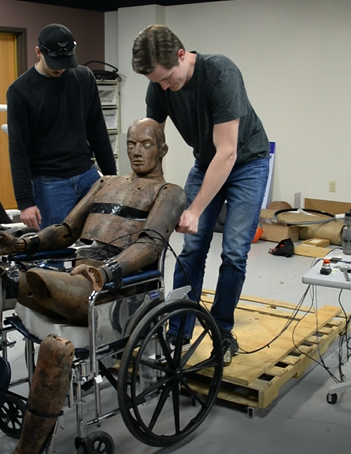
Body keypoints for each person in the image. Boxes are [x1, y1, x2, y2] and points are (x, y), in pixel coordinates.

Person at [0, 119, 185, 454]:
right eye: (131, 143)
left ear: (162, 149)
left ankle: (28, 450)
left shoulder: (169, 192)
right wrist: (22, 245)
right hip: (75, 276)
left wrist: (106, 271)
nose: (137, 151)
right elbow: (65, 231)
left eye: (146, 144)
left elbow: (150, 245)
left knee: (52, 322)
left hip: (111, 289)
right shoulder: (105, 183)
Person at [131, 24, 271, 366]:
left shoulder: (220, 73)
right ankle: (178, 330)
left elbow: (227, 153)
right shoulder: (159, 82)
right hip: (206, 161)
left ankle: (221, 330)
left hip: (245, 162)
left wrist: (193, 209)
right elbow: (152, 138)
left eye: (167, 78)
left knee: (235, 251)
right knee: (191, 249)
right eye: (157, 81)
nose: (164, 87)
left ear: (182, 55)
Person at [7, 23, 117, 231]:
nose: (60, 68)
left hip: (87, 175)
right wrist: (25, 202)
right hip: (50, 183)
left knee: (104, 240)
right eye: (55, 62)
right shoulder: (20, 91)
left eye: (65, 62)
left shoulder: (83, 77)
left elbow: (98, 131)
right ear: (38, 52)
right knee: (55, 252)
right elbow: (17, 149)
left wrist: (112, 177)